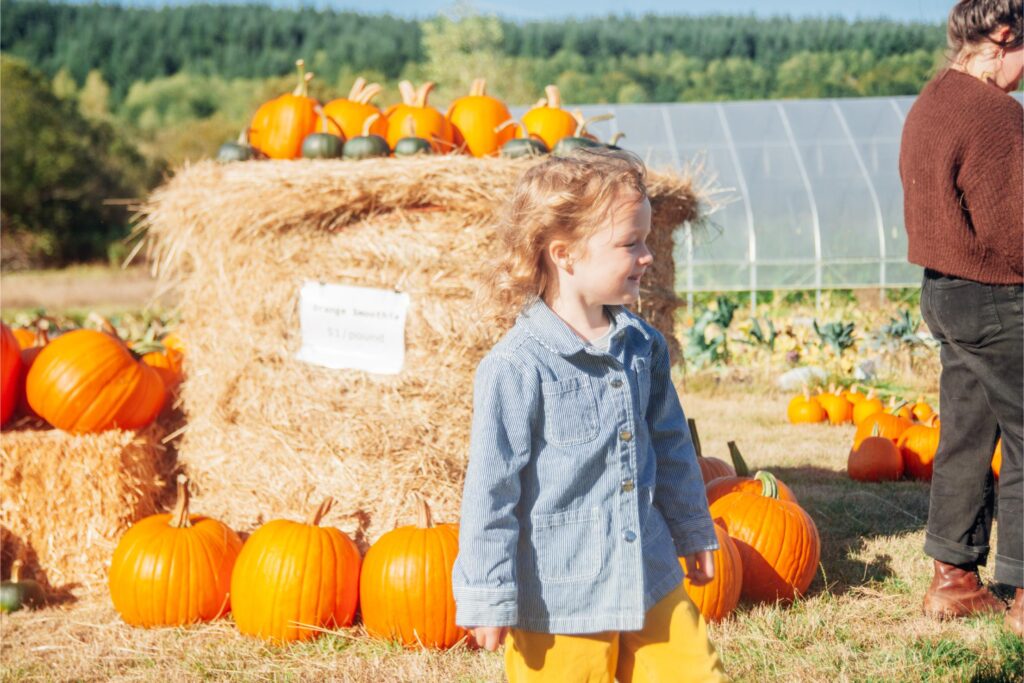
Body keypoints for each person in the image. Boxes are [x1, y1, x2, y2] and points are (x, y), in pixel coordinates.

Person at [451, 148, 728, 682]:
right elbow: (492, 488)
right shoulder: (515, 366)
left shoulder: (642, 345)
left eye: (647, 240)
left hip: (648, 574)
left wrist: (692, 530)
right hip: (561, 595)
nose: (647, 256)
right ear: (566, 254)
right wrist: (488, 591)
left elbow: (671, 447)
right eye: (630, 243)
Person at [899, 0, 1023, 636]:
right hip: (999, 294)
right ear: (1003, 38)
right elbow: (1014, 230)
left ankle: (954, 579)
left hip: (944, 292)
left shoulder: (931, 102)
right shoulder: (997, 115)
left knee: (968, 432)